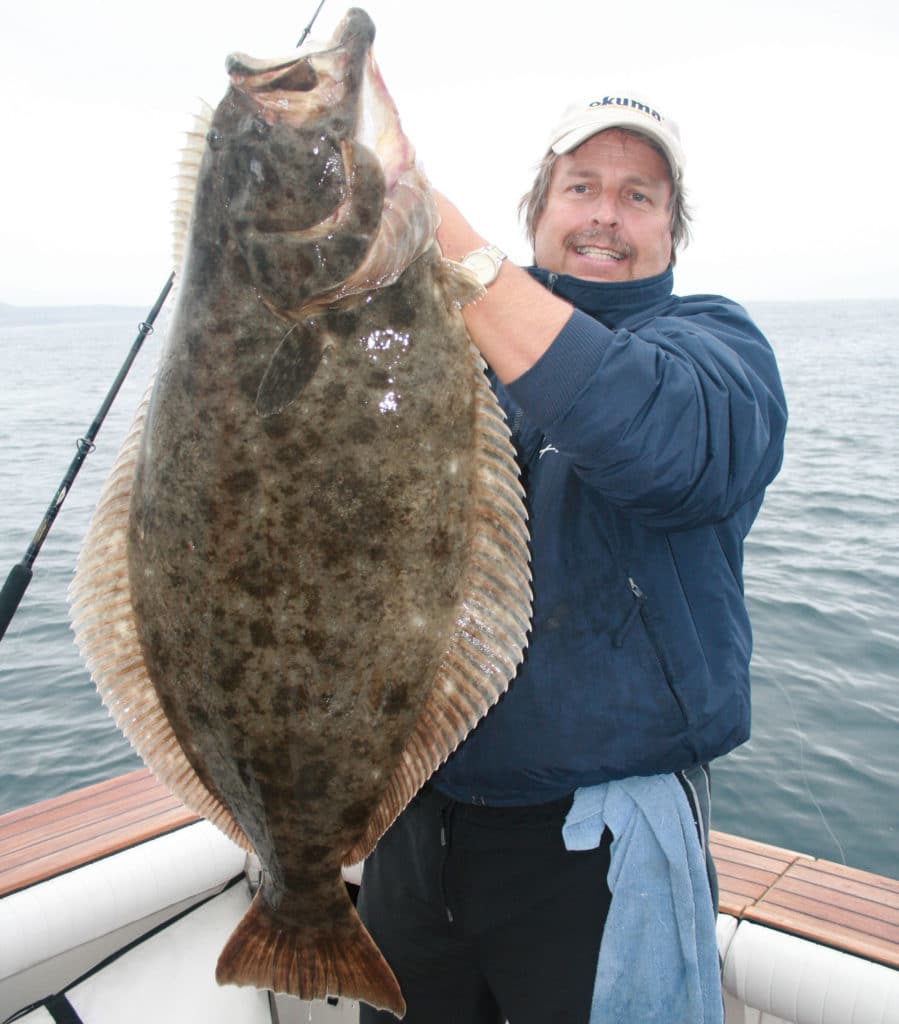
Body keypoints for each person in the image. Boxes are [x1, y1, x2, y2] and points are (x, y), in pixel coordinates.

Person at [356, 93, 788, 1023]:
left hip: (592, 849)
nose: (604, 213)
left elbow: (660, 439)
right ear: (537, 213)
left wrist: (442, 237)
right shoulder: (439, 351)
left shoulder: (712, 350)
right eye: (580, 186)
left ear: (672, 232)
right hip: (408, 832)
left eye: (639, 196)